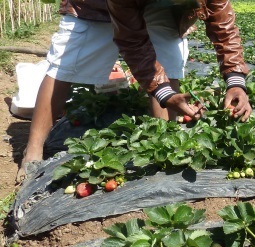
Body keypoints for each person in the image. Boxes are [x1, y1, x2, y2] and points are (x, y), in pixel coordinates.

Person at [16, 0, 190, 183]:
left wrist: (225, 76)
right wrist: (162, 91)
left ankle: (165, 145)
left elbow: (221, 21)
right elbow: (133, 41)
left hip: (161, 6)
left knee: (166, 61)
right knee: (66, 65)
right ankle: (33, 151)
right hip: (93, 5)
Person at [106, 0, 252, 122]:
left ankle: (164, 133)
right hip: (102, 6)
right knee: (94, 59)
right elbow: (132, 40)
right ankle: (106, 96)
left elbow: (224, 30)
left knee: (169, 55)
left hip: (161, 6)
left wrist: (236, 83)